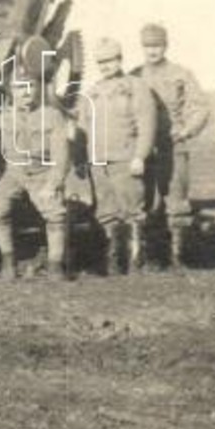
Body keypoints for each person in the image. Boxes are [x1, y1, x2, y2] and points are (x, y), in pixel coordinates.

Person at [131, 22, 211, 270]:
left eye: (157, 45)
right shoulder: (134, 76)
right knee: (147, 201)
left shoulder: (181, 74)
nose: (152, 50)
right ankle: (150, 256)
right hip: (145, 149)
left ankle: (177, 256)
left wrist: (187, 130)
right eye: (148, 46)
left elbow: (199, 107)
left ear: (165, 45)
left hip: (173, 147)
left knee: (176, 200)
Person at [82, 37, 159, 275]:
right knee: (106, 211)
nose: (106, 65)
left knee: (132, 210)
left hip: (125, 157)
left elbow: (147, 124)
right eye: (101, 62)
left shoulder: (135, 87)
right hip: (98, 161)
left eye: (110, 60)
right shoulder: (92, 92)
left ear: (119, 59)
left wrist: (140, 156)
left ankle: (136, 262)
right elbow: (83, 126)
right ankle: (113, 262)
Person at [0, 67, 72, 282]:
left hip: (42, 172)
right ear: (10, 91)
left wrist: (52, 184)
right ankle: (8, 261)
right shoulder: (1, 116)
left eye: (30, 87)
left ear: (38, 89)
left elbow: (61, 156)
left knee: (55, 212)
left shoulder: (52, 116)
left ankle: (55, 264)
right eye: (19, 88)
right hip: (14, 172)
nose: (25, 93)